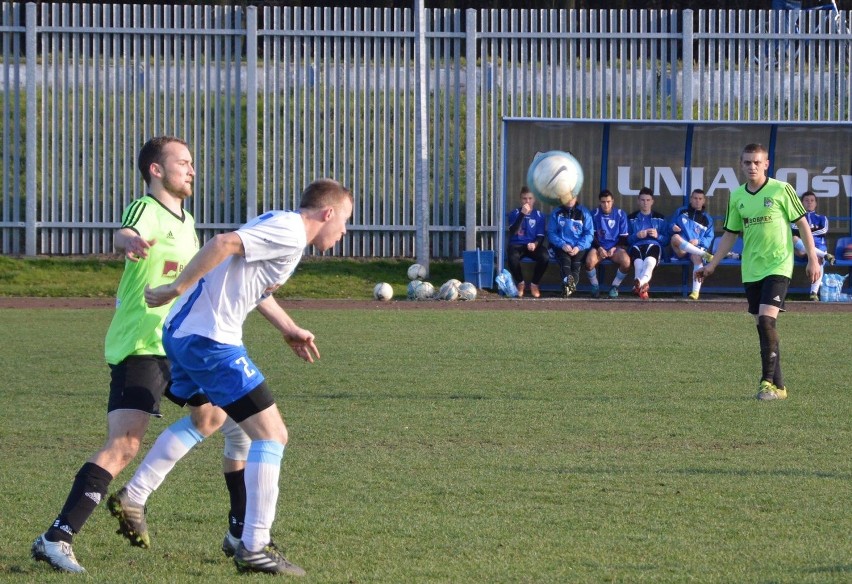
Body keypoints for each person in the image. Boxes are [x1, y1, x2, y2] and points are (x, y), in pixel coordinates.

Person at [31, 137, 229, 574]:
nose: (192, 170)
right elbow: (124, 231)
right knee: (123, 445)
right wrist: (129, 242)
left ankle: (137, 498)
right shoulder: (147, 209)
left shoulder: (187, 219)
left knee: (212, 416)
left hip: (176, 346)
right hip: (141, 344)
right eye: (183, 162)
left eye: (193, 163)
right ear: (156, 171)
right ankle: (56, 538)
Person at [143, 178, 353, 575]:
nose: (344, 232)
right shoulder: (291, 231)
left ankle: (136, 498)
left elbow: (253, 287)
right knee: (271, 434)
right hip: (210, 339)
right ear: (327, 214)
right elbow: (222, 243)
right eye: (344, 222)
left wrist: (288, 328)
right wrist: (176, 287)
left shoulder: (285, 229)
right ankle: (253, 545)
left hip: (194, 335)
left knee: (213, 420)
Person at [696, 143, 820, 401]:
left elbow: (802, 224)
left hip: (778, 265)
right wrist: (712, 264)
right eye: (747, 162)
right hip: (751, 269)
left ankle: (766, 383)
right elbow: (730, 234)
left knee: (766, 321)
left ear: (766, 164)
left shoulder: (781, 189)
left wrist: (812, 260)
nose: (752, 166)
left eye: (757, 162)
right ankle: (781, 387)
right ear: (741, 165)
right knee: (764, 326)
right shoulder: (737, 196)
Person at [668, 188, 715, 300]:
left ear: (704, 201)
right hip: (681, 249)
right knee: (675, 237)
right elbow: (669, 226)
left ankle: (695, 292)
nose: (697, 201)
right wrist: (672, 227)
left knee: (697, 258)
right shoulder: (681, 211)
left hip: (695, 248)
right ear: (690, 199)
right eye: (695, 198)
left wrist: (698, 241)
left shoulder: (707, 219)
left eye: (700, 199)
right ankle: (704, 254)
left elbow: (709, 237)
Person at [585, 189, 631, 298]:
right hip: (599, 248)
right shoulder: (594, 214)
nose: (606, 204)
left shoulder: (620, 214)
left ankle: (614, 286)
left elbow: (624, 237)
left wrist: (614, 248)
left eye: (608, 201)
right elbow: (592, 236)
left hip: (615, 249)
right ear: (600, 202)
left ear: (613, 201)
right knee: (589, 262)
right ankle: (595, 286)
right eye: (603, 202)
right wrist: (600, 248)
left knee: (626, 262)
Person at [506, 186, 550, 298]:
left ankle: (534, 284)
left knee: (545, 256)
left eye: (530, 198)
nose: (527, 201)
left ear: (534, 199)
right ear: (521, 200)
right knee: (512, 257)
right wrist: (522, 214)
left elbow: (541, 236)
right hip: (517, 245)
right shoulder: (514, 213)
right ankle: (520, 283)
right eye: (525, 198)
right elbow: (513, 231)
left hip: (532, 246)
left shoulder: (539, 215)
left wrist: (535, 244)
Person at [791, 190, 836, 301]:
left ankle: (813, 292)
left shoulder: (822, 218)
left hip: (817, 247)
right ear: (801, 203)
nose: (809, 203)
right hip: (801, 249)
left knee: (817, 259)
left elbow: (824, 230)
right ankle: (825, 255)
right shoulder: (796, 218)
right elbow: (793, 229)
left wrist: (805, 232)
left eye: (812, 200)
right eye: (806, 200)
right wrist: (807, 232)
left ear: (816, 203)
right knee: (793, 238)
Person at [547, 194, 593, 297]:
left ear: (576, 197)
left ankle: (567, 287)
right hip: (562, 246)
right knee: (565, 263)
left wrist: (579, 247)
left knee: (576, 266)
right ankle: (569, 285)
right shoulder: (557, 212)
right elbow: (551, 233)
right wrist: (562, 244)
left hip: (579, 246)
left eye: (572, 196)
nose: (569, 200)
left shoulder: (584, 212)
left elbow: (589, 234)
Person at [627, 187, 669, 300]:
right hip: (636, 245)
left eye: (648, 200)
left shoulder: (660, 218)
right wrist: (636, 235)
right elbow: (626, 240)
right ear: (638, 201)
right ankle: (642, 286)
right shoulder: (631, 218)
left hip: (654, 244)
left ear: (652, 201)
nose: (645, 203)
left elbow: (666, 240)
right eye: (642, 200)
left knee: (649, 262)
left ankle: (639, 283)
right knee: (638, 263)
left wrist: (657, 236)